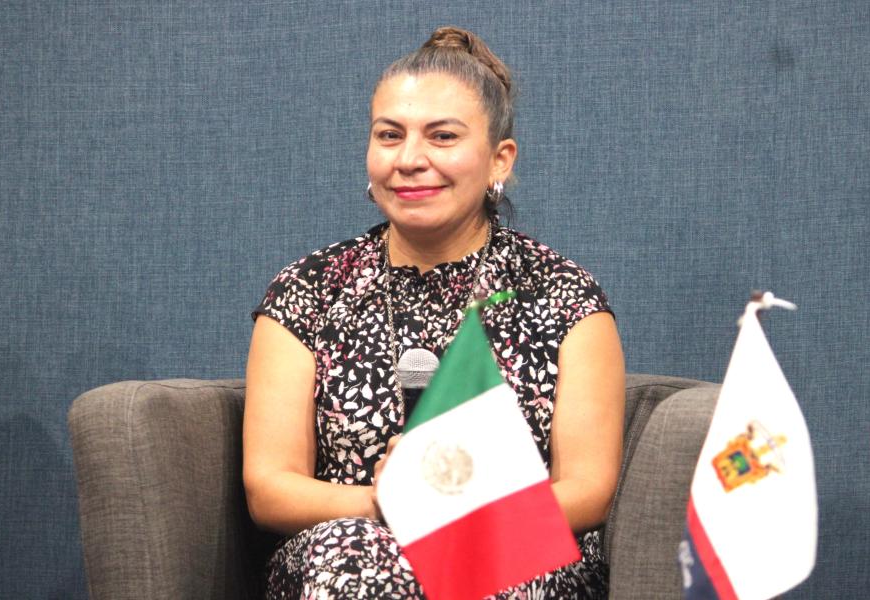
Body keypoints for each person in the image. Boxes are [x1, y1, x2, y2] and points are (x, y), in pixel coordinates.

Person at [243, 26, 625, 599]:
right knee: (350, 555)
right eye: (389, 135)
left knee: (495, 568)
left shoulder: (561, 294)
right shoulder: (310, 289)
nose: (411, 159)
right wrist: (392, 502)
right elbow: (270, 488)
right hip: (353, 539)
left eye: (442, 137)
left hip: (510, 544)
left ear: (500, 160)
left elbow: (589, 489)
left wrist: (456, 507)